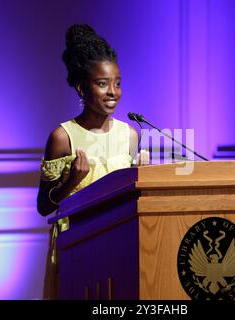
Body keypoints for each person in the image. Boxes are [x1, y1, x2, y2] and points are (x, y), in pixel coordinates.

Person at [36, 24, 148, 299]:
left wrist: (144, 178)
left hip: (120, 245)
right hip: (78, 248)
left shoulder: (131, 134)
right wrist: (71, 181)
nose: (113, 92)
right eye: (102, 83)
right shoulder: (63, 137)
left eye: (117, 83)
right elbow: (43, 206)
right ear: (81, 87)